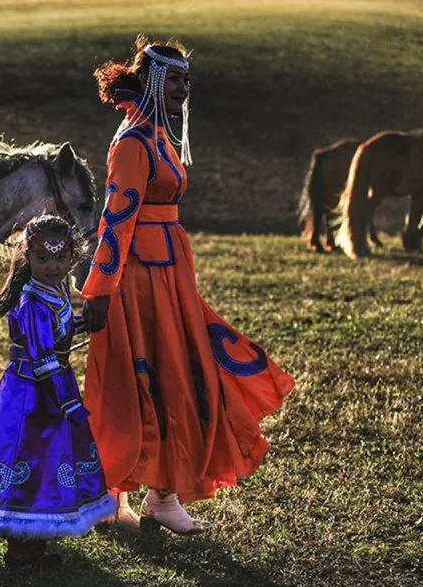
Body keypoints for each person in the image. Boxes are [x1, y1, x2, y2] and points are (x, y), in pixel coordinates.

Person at [81, 36, 295, 535]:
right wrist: (99, 290)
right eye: (174, 77)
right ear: (153, 79)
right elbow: (115, 219)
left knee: (182, 375)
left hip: (172, 273)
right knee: (135, 378)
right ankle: (111, 498)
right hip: (138, 280)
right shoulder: (134, 142)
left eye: (186, 78)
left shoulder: (159, 137)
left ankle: (163, 495)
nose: (183, 87)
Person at [0, 214, 115, 569]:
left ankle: (35, 545)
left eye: (60, 258)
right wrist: (68, 402)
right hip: (32, 394)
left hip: (48, 387)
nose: (52, 266)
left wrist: (81, 323)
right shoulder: (31, 301)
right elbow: (43, 356)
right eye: (43, 258)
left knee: (47, 460)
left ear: (73, 257)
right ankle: (21, 551)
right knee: (26, 458)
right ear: (27, 258)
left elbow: (53, 337)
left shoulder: (53, 290)